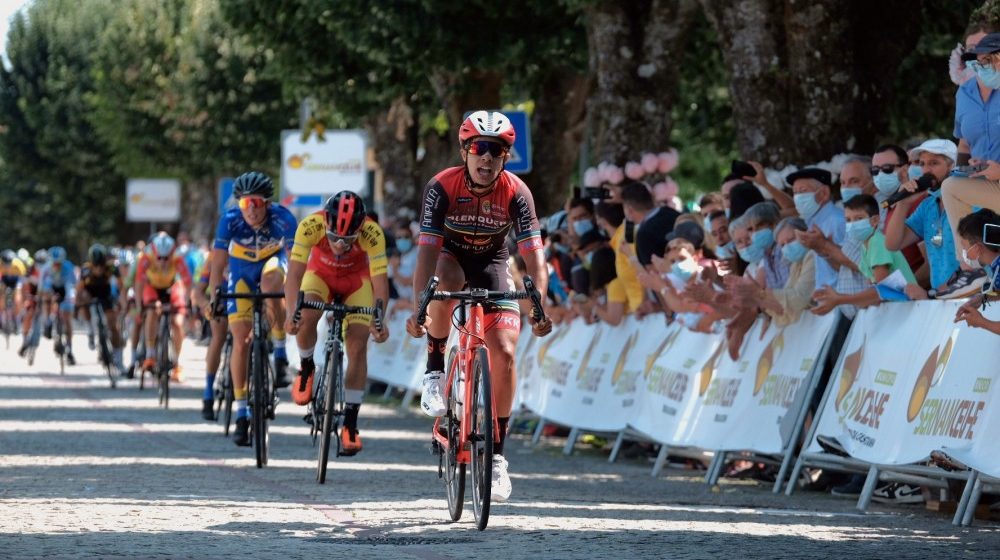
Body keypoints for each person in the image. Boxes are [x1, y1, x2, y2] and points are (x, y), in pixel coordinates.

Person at [405, 110, 552, 501]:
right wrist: (419, 306)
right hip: (448, 258)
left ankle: (499, 457)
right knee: (446, 282)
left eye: (496, 151)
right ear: (465, 151)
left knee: (503, 351)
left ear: (506, 157)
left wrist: (538, 305)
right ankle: (436, 369)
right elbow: (426, 254)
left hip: (492, 264)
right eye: (479, 149)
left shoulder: (517, 192)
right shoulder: (442, 186)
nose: (486, 158)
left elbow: (534, 257)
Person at [284, 191, 390, 456]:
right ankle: (307, 366)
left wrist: (379, 318)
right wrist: (290, 313)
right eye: (333, 238)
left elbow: (379, 283)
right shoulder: (310, 225)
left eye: (348, 240)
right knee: (307, 315)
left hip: (357, 283)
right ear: (326, 225)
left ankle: (351, 422)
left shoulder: (373, 233)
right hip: (320, 277)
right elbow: (295, 274)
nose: (340, 245)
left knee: (357, 345)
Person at [206, 171, 297, 447]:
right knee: (240, 339)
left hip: (271, 262)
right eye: (246, 204)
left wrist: (295, 297)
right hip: (241, 270)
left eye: (257, 203)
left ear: (268, 204)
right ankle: (242, 411)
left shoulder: (284, 218)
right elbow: (218, 263)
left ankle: (280, 350)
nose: (252, 210)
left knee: (272, 282)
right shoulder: (230, 220)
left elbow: (295, 262)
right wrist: (215, 294)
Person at [884, 139, 977, 299]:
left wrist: (930, 294)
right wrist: (902, 205)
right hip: (941, 301)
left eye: (934, 163)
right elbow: (893, 244)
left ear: (952, 165)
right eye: (922, 163)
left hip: (971, 297)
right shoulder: (928, 205)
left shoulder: (970, 200)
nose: (926, 170)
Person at [812, 195, 916, 311]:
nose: (852, 224)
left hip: (909, 306)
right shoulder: (864, 246)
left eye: (859, 218)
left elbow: (882, 290)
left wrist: (839, 299)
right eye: (848, 220)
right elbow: (874, 285)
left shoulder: (877, 242)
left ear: (875, 220)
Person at [136, 232, 193, 382]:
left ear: (171, 253)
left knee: (178, 322)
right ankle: (150, 354)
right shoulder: (146, 256)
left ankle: (177, 362)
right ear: (154, 252)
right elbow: (139, 283)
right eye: (159, 258)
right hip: (152, 287)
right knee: (152, 311)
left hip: (172, 286)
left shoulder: (177, 256)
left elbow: (187, 282)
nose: (162, 261)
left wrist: (187, 303)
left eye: (166, 258)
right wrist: (138, 305)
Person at [76, 244, 126, 372]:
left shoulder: (111, 267)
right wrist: (78, 305)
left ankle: (118, 358)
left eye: (101, 265)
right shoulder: (86, 269)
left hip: (105, 293)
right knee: (84, 300)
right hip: (90, 292)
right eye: (96, 266)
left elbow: (121, 286)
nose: (98, 269)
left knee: (113, 326)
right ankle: (90, 329)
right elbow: (79, 290)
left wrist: (122, 302)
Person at [954, 209, 1000, 334]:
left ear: (978, 248)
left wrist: (981, 322)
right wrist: (982, 298)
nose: (965, 254)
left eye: (965, 247)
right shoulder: (996, 265)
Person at [621, 181, 680, 269]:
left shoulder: (644, 234)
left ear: (629, 210)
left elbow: (651, 274)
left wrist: (630, 256)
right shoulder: (672, 213)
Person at [37, 246, 77, 364]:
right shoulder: (46, 269)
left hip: (65, 289)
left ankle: (69, 349)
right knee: (46, 295)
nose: (56, 265)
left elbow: (72, 286)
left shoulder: (68, 267)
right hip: (51, 289)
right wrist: (42, 299)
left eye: (59, 263)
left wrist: (70, 300)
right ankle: (48, 321)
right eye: (54, 263)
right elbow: (41, 288)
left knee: (67, 317)